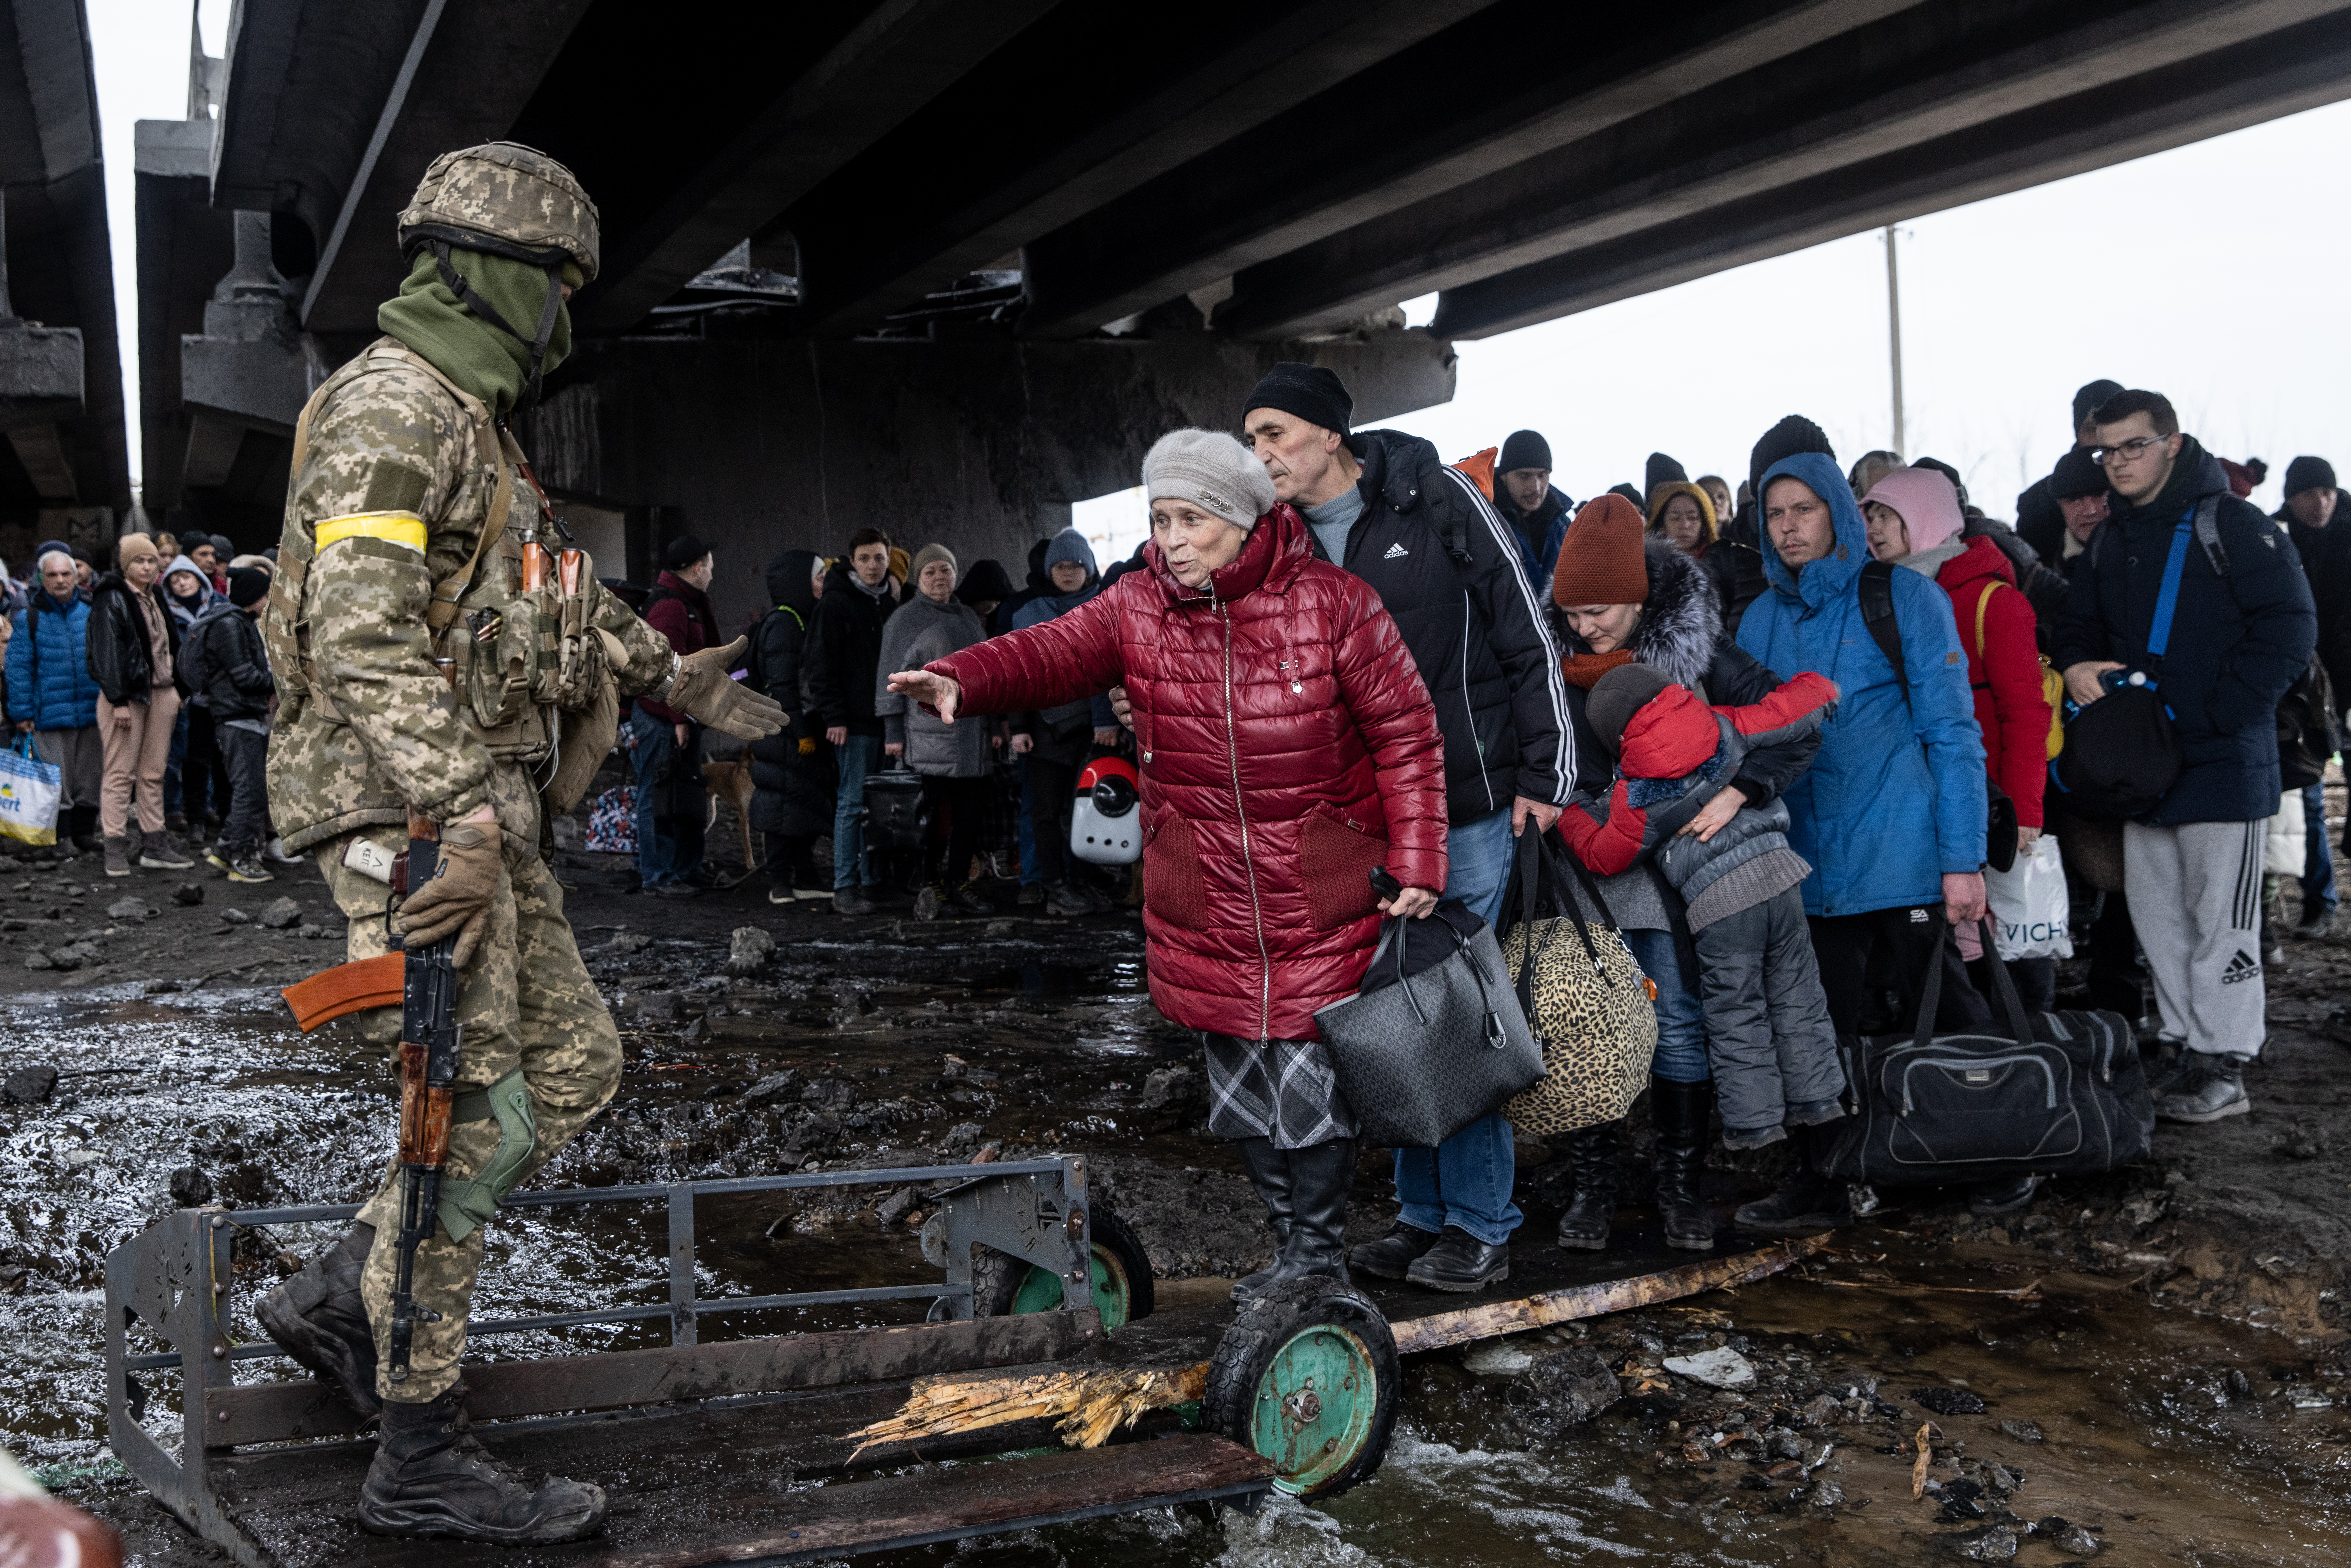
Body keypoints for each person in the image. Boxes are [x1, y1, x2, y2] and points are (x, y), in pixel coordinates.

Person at [250, 142, 781, 1545]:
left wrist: (681, 681)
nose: (560, 314)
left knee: (576, 1064)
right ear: (489, 275)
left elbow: (553, 604)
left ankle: (340, 1294)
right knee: (463, 1107)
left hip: (477, 808)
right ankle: (417, 1449)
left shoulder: (473, 430)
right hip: (418, 816)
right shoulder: (388, 410)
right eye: (550, 282)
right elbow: (355, 629)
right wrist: (462, 815)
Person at [891, 428, 1447, 1297]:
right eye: (1161, 518)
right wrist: (965, 678)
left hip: (1316, 890)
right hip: (1208, 896)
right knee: (1243, 1101)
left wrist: (1418, 855)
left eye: (1192, 518)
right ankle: (1292, 1246)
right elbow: (1052, 650)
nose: (1174, 537)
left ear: (1240, 517)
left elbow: (1407, 733)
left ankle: (1313, 1260)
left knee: (1307, 1096)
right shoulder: (1138, 604)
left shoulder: (1335, 604)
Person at [1240, 362, 1568, 1293]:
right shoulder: (1276, 540)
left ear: (1330, 435)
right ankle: (1424, 1214)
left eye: (1275, 433)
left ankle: (1478, 1222)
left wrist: (1547, 777)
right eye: (1254, 438)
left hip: (1465, 802)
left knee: (1452, 1011)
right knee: (1389, 1012)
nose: (1261, 453)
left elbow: (1526, 634)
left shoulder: (1437, 497)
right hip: (1356, 822)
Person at [1539, 498, 1827, 1253]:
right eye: (1570, 612)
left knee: (1678, 1032)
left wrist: (1742, 789)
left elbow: (1799, 723)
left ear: (1638, 597)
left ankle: (1679, 1186)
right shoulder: (1547, 662)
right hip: (1583, 871)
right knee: (1585, 1025)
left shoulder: (1699, 651)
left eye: (1597, 611)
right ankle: (1593, 1184)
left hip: (1673, 879)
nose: (1583, 627)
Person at [1734, 450, 1990, 1231]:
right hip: (1804, 861)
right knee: (1815, 1028)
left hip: (1902, 850)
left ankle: (1999, 1151)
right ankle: (1826, 1177)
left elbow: (1953, 732)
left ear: (1839, 514)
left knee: (1943, 1010)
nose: (1788, 527)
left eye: (1803, 510)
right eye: (1776, 514)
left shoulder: (1904, 597)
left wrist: (1962, 860)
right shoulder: (1758, 618)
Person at [2055, 389, 2315, 1125]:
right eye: (2106, 452)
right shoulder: (2111, 538)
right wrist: (2076, 664)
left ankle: (2224, 1064)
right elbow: (2077, 625)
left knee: (2220, 922)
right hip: (2144, 767)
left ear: (2172, 442)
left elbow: (2291, 627)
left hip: (2222, 765)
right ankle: (2181, 1048)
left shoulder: (2229, 521)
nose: (2118, 463)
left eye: (2133, 446)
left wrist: (2218, 714)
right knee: (2159, 919)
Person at [1557, 665, 1844, 1151]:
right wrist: (1820, 686)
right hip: (1779, 877)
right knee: (1798, 994)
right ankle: (1818, 1100)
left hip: (1720, 904)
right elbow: (1804, 706)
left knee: (1736, 1010)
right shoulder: (1724, 723)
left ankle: (1754, 1125)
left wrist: (1569, 811)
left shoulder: (1638, 795)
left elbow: (1601, 856)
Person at [1861, 466, 2057, 1027]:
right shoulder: (1879, 598)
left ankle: (2020, 1050)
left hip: (1988, 803)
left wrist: (2024, 811)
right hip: (1917, 803)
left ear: (1924, 516)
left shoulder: (1991, 599)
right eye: (1868, 515)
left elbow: (2025, 712)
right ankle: (1967, 1063)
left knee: (2004, 932)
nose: (1873, 528)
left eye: (1887, 514)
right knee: (1954, 932)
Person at [874, 543, 1000, 918]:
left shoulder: (967, 616)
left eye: (946, 570)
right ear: (918, 579)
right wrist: (893, 732)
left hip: (972, 735)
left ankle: (958, 883)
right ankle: (930, 885)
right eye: (930, 572)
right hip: (929, 735)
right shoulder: (905, 620)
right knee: (928, 818)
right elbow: (890, 679)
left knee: (969, 816)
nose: (939, 578)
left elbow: (989, 674)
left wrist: (993, 724)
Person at [1008, 528, 1118, 916]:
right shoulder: (1028, 616)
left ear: (1089, 568)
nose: (1068, 573)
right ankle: (1055, 886)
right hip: (1042, 732)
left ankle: (1083, 882)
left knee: (1087, 810)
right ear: (1049, 570)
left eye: (1076, 565)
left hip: (1095, 732)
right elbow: (1016, 676)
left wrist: (1109, 721)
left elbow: (1114, 669)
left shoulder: (1106, 609)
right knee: (1046, 812)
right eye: (1060, 566)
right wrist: (1018, 728)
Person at [85, 534, 194, 877]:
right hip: (127, 696)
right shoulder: (111, 598)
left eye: (151, 561)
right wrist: (117, 699)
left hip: (161, 693)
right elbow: (105, 652)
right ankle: (114, 846)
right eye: (139, 562)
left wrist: (177, 688)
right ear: (125, 565)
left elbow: (169, 648)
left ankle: (155, 845)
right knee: (120, 773)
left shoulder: (156, 596)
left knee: (154, 773)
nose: (147, 567)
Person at [805, 527, 897, 915]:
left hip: (883, 720)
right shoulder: (836, 604)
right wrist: (834, 717)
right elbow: (820, 666)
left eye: (879, 558)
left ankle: (871, 881)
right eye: (865, 559)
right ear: (851, 561)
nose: (873, 566)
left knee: (876, 805)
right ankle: (844, 887)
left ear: (889, 559)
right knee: (850, 803)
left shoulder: (889, 603)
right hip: (853, 723)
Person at [626, 536, 720, 898]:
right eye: (710, 567)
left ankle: (680, 869)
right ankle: (659, 874)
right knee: (659, 797)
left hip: (675, 715)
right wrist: (679, 719)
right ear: (698, 568)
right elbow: (669, 668)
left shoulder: (687, 603)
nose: (712, 574)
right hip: (662, 718)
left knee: (680, 794)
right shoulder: (673, 608)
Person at [2278, 455, 2345, 937]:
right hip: (2302, 690)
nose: (2318, 502)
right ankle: (2319, 901)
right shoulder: (2273, 542)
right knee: (2308, 796)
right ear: (2290, 497)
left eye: (2325, 492)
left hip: (2345, 681)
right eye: (2308, 493)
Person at [748, 547, 832, 903]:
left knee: (798, 807)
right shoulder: (785, 623)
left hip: (790, 734)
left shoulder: (800, 618)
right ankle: (781, 881)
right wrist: (801, 731)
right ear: (799, 582)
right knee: (782, 810)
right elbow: (783, 687)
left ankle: (803, 875)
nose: (823, 584)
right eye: (818, 577)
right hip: (785, 735)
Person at [6, 546, 101, 853]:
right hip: (48, 714)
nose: (60, 580)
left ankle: (85, 834)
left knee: (89, 777)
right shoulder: (28, 618)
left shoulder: (92, 611)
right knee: (57, 780)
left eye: (66, 574)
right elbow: (18, 670)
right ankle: (61, 839)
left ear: (76, 576)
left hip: (91, 709)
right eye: (53, 575)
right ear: (41, 579)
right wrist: (22, 713)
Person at [188, 567, 277, 881]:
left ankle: (226, 850)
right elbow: (245, 676)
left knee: (250, 788)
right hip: (238, 717)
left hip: (241, 716)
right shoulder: (230, 625)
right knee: (250, 790)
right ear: (253, 598)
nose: (269, 602)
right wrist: (282, 683)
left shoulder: (238, 622)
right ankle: (242, 858)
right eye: (266, 595)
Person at [2014, 379, 2124, 564]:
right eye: (2092, 428)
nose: (2103, 438)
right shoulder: (2038, 504)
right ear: (2077, 433)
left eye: (2114, 427)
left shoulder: (2150, 488)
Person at [160, 555, 217, 836]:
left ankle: (207, 807)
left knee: (209, 757)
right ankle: (175, 809)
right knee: (177, 755)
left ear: (199, 579)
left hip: (213, 696)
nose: (181, 583)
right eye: (175, 578)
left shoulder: (217, 607)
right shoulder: (165, 612)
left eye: (187, 576)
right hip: (181, 696)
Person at [1646, 479, 1738, 617]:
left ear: (1705, 523)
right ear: (1661, 526)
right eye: (1675, 518)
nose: (1685, 525)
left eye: (1693, 517)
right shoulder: (1648, 570)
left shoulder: (1726, 563)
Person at [1493, 428, 1566, 584]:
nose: (1536, 488)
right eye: (1524, 476)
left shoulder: (1563, 526)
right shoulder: (1485, 521)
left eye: (1542, 475)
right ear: (1504, 476)